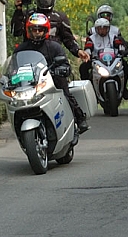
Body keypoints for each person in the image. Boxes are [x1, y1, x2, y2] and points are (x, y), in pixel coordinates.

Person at [15, 13, 88, 142]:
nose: (37, 33)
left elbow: (65, 64)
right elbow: (14, 66)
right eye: (34, 29)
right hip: (31, 84)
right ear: (28, 30)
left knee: (65, 93)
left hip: (52, 80)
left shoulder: (54, 47)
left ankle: (77, 120)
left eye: (40, 30)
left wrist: (62, 69)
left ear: (46, 31)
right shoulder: (21, 49)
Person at [11, 0, 90, 65]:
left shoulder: (60, 17)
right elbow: (16, 32)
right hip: (31, 57)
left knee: (61, 75)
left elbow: (68, 38)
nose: (45, 0)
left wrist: (78, 50)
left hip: (53, 57)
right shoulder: (28, 15)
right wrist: (18, 10)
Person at [80, 17, 128, 100]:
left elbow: (120, 45)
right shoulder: (92, 38)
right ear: (96, 29)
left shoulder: (113, 36)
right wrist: (87, 54)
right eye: (100, 29)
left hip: (113, 61)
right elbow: (88, 48)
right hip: (97, 61)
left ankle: (124, 88)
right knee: (83, 68)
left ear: (108, 29)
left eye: (105, 29)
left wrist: (123, 51)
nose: (102, 31)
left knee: (126, 67)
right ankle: (89, 92)